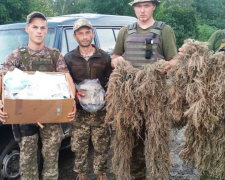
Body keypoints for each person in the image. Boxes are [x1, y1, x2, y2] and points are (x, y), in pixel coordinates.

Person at [0, 11, 75, 180]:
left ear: (46, 30)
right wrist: (1, 103)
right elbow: (3, 80)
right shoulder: (16, 56)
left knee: (50, 159)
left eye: (42, 27)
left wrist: (71, 102)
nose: (39, 31)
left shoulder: (55, 55)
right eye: (35, 27)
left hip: (51, 117)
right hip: (24, 117)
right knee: (27, 161)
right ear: (28, 29)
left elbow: (66, 78)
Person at [111, 0, 177, 179]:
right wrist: (117, 62)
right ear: (133, 8)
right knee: (133, 144)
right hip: (130, 100)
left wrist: (165, 66)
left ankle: (158, 176)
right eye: (138, 6)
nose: (142, 10)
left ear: (154, 6)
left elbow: (174, 59)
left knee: (157, 145)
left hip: (155, 99)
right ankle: (137, 176)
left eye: (146, 5)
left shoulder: (164, 30)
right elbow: (115, 57)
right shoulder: (126, 31)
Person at [64, 18, 112, 180]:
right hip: (80, 111)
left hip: (100, 110)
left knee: (101, 144)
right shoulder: (69, 58)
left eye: (87, 33)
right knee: (79, 144)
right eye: (80, 33)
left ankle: (101, 173)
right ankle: (81, 173)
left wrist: (108, 92)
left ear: (92, 34)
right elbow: (65, 81)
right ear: (75, 36)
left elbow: (111, 79)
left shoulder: (104, 57)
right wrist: (73, 95)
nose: (84, 37)